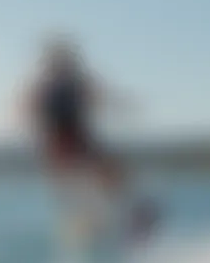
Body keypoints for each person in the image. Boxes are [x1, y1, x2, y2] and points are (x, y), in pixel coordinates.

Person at [19, 36, 159, 243]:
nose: (70, 64)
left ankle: (111, 224)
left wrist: (124, 103)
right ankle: (100, 225)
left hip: (71, 149)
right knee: (106, 184)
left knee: (111, 184)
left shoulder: (64, 85)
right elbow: (31, 111)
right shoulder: (55, 87)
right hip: (68, 148)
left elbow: (100, 96)